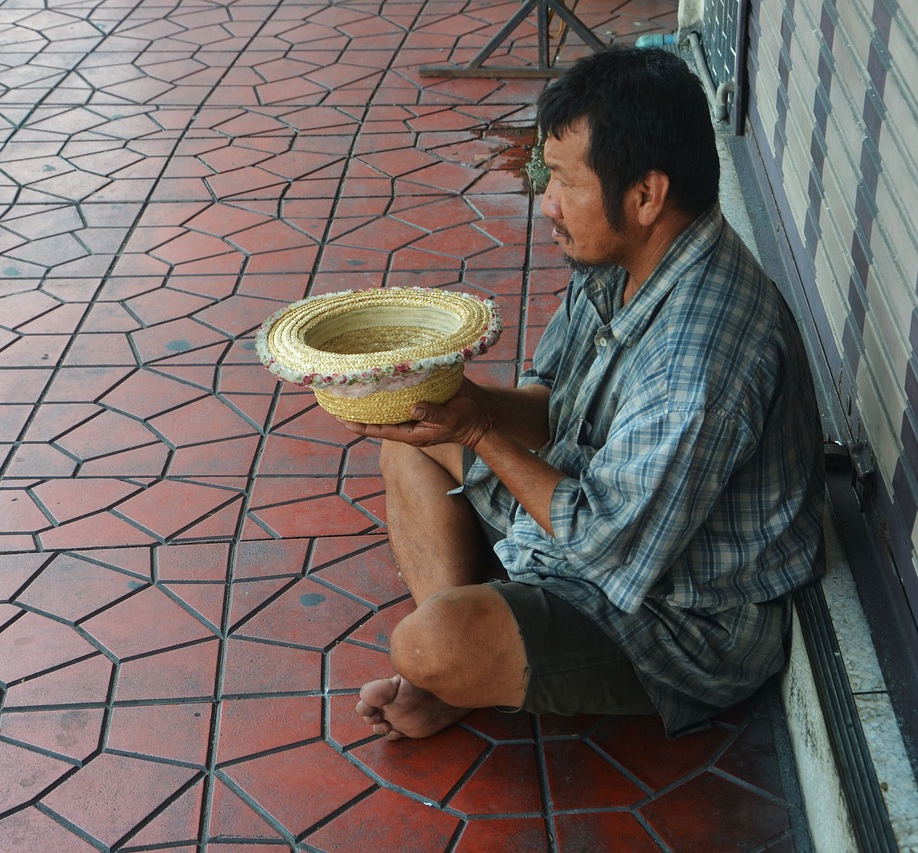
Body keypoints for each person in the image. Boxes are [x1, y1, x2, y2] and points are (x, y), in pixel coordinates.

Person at [341, 47, 826, 741]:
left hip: (680, 613)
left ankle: (459, 669)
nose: (548, 206)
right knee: (412, 442)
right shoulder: (623, 258)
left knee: (428, 642)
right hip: (596, 516)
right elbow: (552, 411)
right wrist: (458, 405)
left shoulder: (700, 361)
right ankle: (470, 671)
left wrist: (479, 432)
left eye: (564, 182)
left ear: (645, 194)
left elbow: (609, 544)